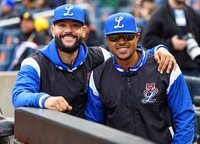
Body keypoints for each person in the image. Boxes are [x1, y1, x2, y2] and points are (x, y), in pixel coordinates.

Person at [12, 4, 176, 119]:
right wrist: (45, 100)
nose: (68, 30)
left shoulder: (99, 55)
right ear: (53, 29)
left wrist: (157, 50)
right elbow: (18, 96)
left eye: (75, 25)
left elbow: (129, 57)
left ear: (84, 31)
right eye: (62, 25)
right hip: (51, 140)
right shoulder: (35, 62)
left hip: (87, 138)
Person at [84, 12, 195, 144]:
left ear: (137, 36)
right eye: (114, 37)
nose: (121, 41)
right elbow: (94, 125)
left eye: (128, 36)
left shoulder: (165, 66)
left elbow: (185, 117)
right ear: (107, 39)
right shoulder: (98, 75)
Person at [141, 0, 200, 103]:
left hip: (193, 69)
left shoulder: (193, 13)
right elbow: (147, 40)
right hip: (169, 70)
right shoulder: (159, 14)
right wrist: (171, 44)